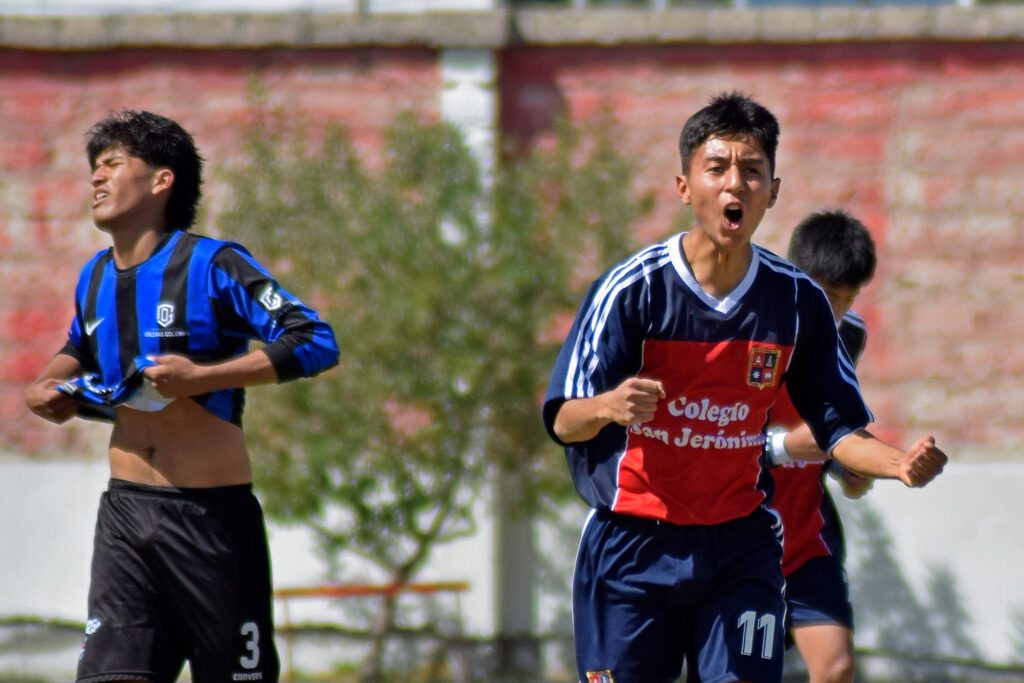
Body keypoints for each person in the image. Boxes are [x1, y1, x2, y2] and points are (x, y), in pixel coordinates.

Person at [541, 91, 947, 683]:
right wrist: (606, 406)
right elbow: (561, 420)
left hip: (740, 548)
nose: (736, 185)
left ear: (773, 192)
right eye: (718, 168)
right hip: (632, 547)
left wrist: (900, 465)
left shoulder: (796, 300)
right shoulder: (631, 290)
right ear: (684, 186)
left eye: (752, 171)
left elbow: (838, 429)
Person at [23, 110, 339, 683]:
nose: (97, 178)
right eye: (93, 168)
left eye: (113, 164)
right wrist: (46, 384)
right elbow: (81, 342)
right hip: (123, 514)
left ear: (162, 180)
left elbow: (316, 340)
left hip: (210, 523)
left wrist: (202, 379)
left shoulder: (213, 264)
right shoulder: (93, 275)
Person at [766, 209, 878, 683]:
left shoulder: (848, 333)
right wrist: (786, 447)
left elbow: (831, 420)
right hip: (737, 529)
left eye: (849, 298)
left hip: (806, 530)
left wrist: (850, 465)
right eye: (829, 296)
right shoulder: (749, 324)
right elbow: (715, 431)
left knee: (836, 668)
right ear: (795, 277)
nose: (836, 311)